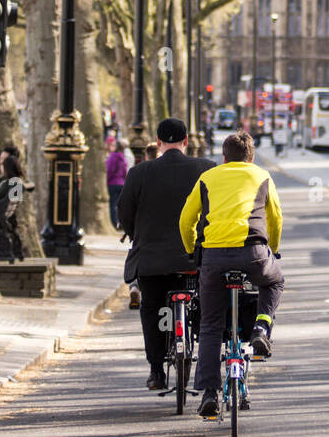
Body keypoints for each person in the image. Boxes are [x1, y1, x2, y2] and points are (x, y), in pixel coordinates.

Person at [180, 129, 284, 419]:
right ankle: (262, 328)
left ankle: (210, 394)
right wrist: (272, 250)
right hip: (253, 252)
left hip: (214, 256)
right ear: (251, 157)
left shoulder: (208, 177)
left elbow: (187, 219)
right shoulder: (261, 176)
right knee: (274, 280)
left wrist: (192, 249)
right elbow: (275, 217)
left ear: (223, 157)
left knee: (211, 324)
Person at [117, 118, 215, 390]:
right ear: (186, 141)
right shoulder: (206, 169)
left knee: (151, 308)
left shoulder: (139, 173)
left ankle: (156, 370)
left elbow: (125, 212)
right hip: (194, 258)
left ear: (158, 143)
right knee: (203, 307)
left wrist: (137, 234)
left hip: (151, 258)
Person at [105, 139, 129, 229]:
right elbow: (124, 172)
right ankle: (121, 222)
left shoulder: (113, 156)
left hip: (113, 183)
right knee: (119, 206)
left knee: (113, 204)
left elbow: (110, 170)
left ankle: (115, 223)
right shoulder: (123, 158)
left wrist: (107, 180)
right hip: (121, 184)